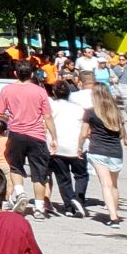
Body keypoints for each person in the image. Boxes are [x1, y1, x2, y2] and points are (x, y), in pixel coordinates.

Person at [0, 61, 55, 217]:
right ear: (32, 74)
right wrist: (54, 137)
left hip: (16, 133)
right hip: (37, 135)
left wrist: (11, 119)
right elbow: (47, 116)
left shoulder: (7, 90)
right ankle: (39, 208)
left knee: (15, 166)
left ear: (15, 73)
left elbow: (0, 113)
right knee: (39, 172)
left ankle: (20, 192)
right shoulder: (40, 91)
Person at [44, 77, 90, 217]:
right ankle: (78, 199)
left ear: (54, 93)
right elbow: (85, 126)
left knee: (63, 178)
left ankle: (69, 206)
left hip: (57, 146)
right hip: (76, 146)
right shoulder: (78, 108)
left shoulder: (51, 107)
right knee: (81, 175)